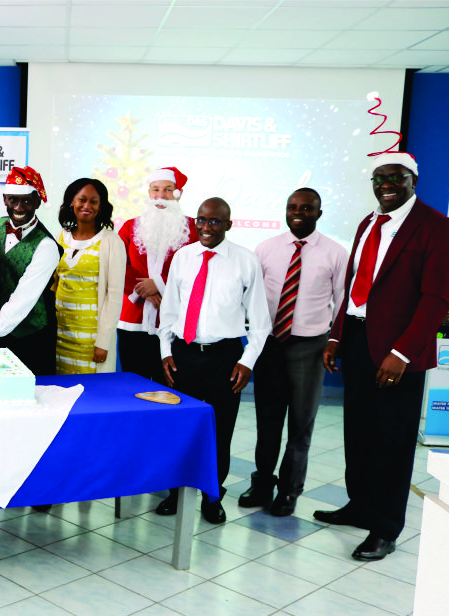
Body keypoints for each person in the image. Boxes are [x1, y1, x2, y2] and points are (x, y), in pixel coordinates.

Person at [317, 153, 449, 561]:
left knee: (392, 442)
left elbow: (436, 298)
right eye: (379, 178)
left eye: (395, 177)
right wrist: (337, 337)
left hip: (399, 351)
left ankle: (385, 527)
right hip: (358, 340)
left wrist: (401, 352)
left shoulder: (437, 227)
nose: (385, 185)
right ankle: (360, 506)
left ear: (413, 180)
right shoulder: (367, 223)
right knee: (357, 433)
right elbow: (354, 287)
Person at [157, 197, 270, 524]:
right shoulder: (183, 257)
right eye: (202, 221)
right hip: (184, 354)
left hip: (225, 357)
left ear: (228, 224)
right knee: (180, 427)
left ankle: (212, 495)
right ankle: (175, 493)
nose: (207, 227)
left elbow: (261, 322)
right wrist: (166, 351)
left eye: (215, 222)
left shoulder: (245, 262)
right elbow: (170, 312)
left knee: (220, 430)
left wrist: (247, 361)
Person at [239, 188, 347, 517]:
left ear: (318, 213)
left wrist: (334, 342)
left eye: (306, 208)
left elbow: (342, 301)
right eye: (292, 207)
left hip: (310, 347)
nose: (297, 212)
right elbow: (252, 296)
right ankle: (262, 484)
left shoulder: (335, 253)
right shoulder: (266, 249)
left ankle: (289, 491)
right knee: (267, 422)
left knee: (301, 425)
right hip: (271, 344)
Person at [0, 166, 60, 376]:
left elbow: (22, 300)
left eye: (26, 200)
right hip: (0, 330)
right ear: (4, 199)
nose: (19, 207)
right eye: (13, 200)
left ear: (37, 201)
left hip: (34, 336)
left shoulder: (47, 246)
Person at [117, 167, 198, 383]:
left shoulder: (193, 229)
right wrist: (144, 290)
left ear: (178, 193)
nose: (160, 195)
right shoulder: (129, 226)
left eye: (168, 189)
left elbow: (196, 270)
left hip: (172, 321)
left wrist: (161, 286)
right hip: (133, 320)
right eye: (155, 189)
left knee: (168, 386)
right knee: (132, 385)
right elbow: (116, 265)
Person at [53, 178, 126, 374]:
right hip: (60, 334)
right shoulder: (61, 236)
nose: (87, 206)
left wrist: (103, 342)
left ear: (101, 206)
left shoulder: (111, 241)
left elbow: (115, 296)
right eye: (82, 200)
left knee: (90, 395)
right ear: (72, 202)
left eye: (93, 201)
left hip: (92, 340)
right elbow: (54, 284)